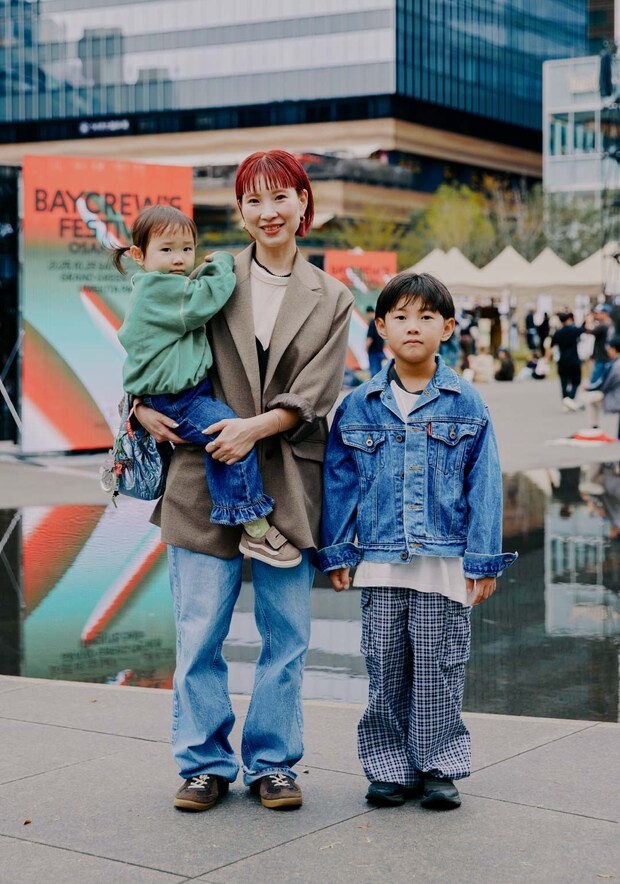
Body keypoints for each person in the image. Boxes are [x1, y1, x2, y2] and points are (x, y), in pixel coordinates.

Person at [133, 151, 354, 812]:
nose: (268, 212)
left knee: (287, 637)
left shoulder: (332, 296)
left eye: (280, 197)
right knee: (199, 632)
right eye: (253, 201)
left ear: (303, 202)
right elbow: (151, 342)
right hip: (202, 475)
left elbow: (317, 392)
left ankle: (272, 763)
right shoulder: (206, 275)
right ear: (239, 211)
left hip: (287, 483)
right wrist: (139, 407)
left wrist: (254, 429)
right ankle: (203, 763)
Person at [318, 272, 517, 811]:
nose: (414, 327)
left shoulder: (466, 402)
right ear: (380, 327)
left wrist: (483, 561)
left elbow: (485, 484)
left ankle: (437, 765)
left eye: (427, 317)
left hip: (444, 563)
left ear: (447, 328)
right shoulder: (358, 405)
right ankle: (389, 767)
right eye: (401, 317)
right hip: (380, 562)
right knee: (385, 666)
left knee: (438, 668)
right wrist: (337, 551)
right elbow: (339, 483)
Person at [115, 205, 300, 567]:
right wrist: (223, 263)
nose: (179, 259)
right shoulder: (162, 289)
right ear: (139, 255)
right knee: (229, 436)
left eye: (187, 249)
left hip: (175, 395)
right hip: (179, 399)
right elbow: (206, 299)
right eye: (166, 249)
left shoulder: (157, 288)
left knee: (219, 437)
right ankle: (252, 524)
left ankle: (238, 511)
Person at [551, 312, 585, 411]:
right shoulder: (573, 330)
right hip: (573, 359)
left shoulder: (558, 332)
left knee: (564, 382)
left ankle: (565, 400)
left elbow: (552, 344)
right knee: (576, 380)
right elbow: (583, 329)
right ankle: (570, 398)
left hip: (562, 360)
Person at [366, 305, 385, 376]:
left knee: (374, 372)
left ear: (369, 312)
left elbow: (370, 337)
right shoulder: (380, 322)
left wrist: (367, 348)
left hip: (373, 350)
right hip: (380, 349)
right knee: (379, 372)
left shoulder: (372, 322)